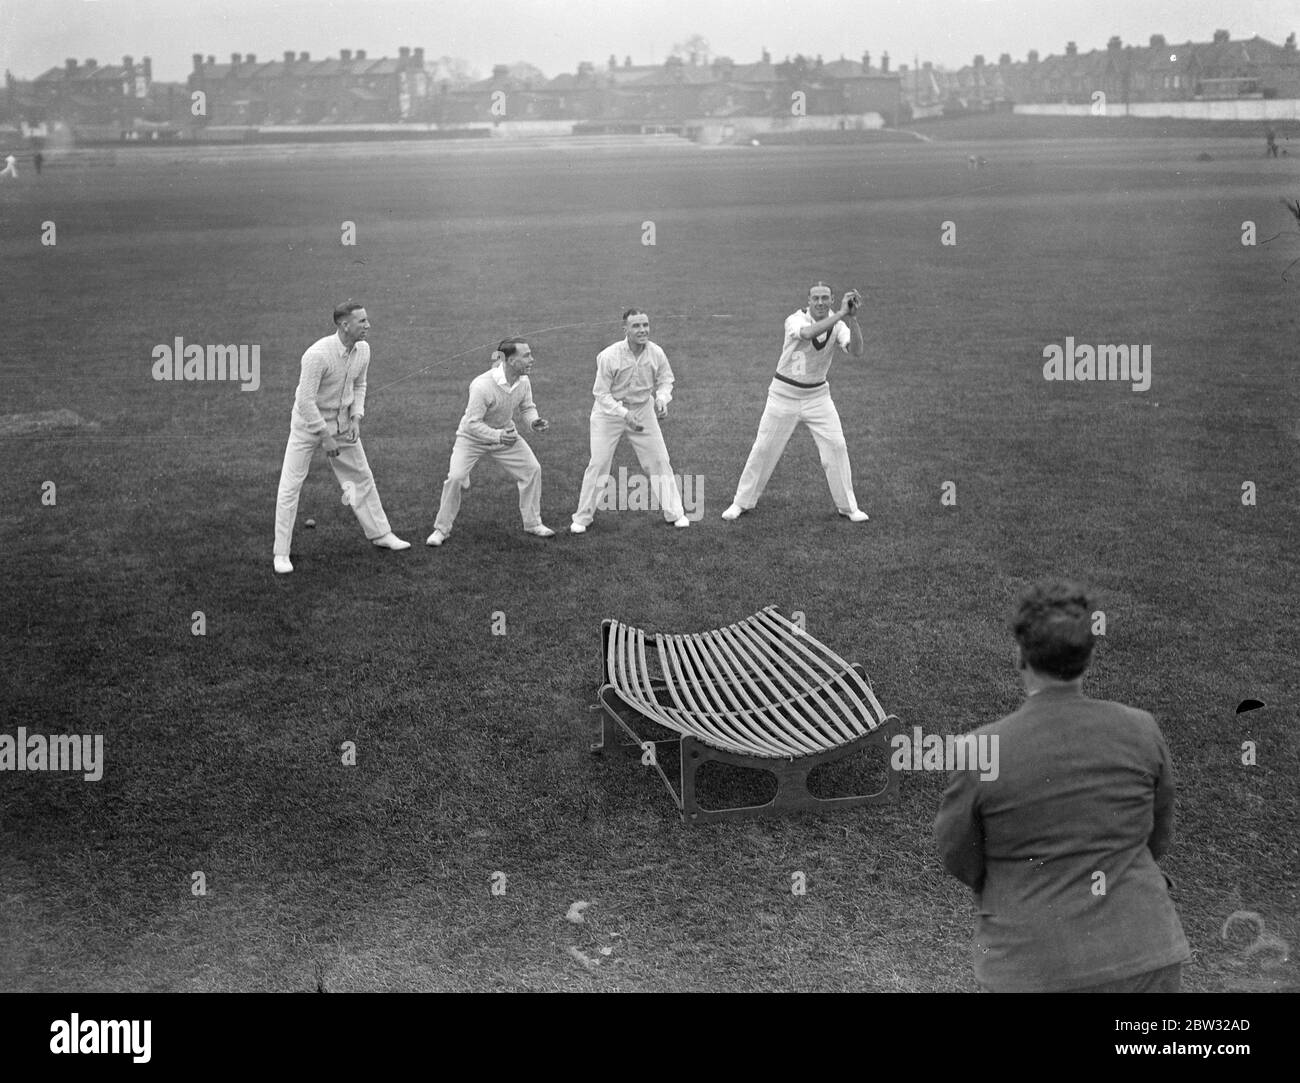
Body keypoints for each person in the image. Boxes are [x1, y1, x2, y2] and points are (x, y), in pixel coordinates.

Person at [933, 581, 1191, 992]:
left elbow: (959, 856)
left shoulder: (979, 751)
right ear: (1088, 656)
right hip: (1144, 957)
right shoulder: (1141, 729)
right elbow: (1157, 838)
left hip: (1032, 968)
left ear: (1020, 656)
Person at [272, 300, 409, 573]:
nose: (368, 326)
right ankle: (281, 553)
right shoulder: (317, 355)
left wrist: (357, 416)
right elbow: (305, 401)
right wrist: (325, 435)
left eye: (367, 320)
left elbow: (360, 384)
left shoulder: (364, 350)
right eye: (362, 322)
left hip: (344, 425)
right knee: (290, 486)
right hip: (308, 427)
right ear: (344, 325)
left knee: (361, 477)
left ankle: (381, 534)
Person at [721, 282, 868, 522]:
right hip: (783, 396)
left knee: (837, 447)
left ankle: (849, 508)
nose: (820, 303)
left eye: (825, 298)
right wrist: (842, 313)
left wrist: (852, 319)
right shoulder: (795, 319)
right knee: (763, 449)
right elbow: (808, 334)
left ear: (831, 300)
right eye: (816, 298)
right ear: (808, 301)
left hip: (818, 397)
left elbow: (857, 351)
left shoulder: (839, 324)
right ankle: (741, 502)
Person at [570, 308, 689, 533]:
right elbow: (601, 394)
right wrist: (625, 414)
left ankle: (675, 512)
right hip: (609, 413)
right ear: (625, 329)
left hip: (643, 409)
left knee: (659, 460)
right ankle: (583, 517)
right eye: (636, 326)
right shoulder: (609, 356)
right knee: (599, 463)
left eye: (645, 325)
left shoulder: (656, 353)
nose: (642, 330)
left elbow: (666, 380)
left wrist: (662, 399)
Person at [427, 338, 554, 545]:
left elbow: (527, 407)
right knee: (456, 478)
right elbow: (471, 424)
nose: (532, 359)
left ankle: (532, 524)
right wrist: (497, 436)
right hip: (472, 439)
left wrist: (534, 422)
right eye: (527, 355)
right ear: (511, 361)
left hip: (505, 434)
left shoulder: (523, 381)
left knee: (532, 470)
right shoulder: (481, 386)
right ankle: (441, 530)